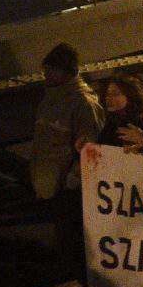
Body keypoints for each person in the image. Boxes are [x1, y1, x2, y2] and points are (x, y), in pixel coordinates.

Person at [30, 43, 103, 272]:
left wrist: (74, 178)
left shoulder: (82, 103)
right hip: (55, 185)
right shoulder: (50, 98)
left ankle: (83, 278)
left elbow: (90, 144)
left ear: (66, 72)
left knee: (75, 237)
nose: (46, 75)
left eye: (51, 70)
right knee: (64, 235)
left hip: (72, 188)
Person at [94, 74, 143, 149]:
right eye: (108, 94)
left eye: (115, 94)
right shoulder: (108, 123)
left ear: (130, 96)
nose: (108, 98)